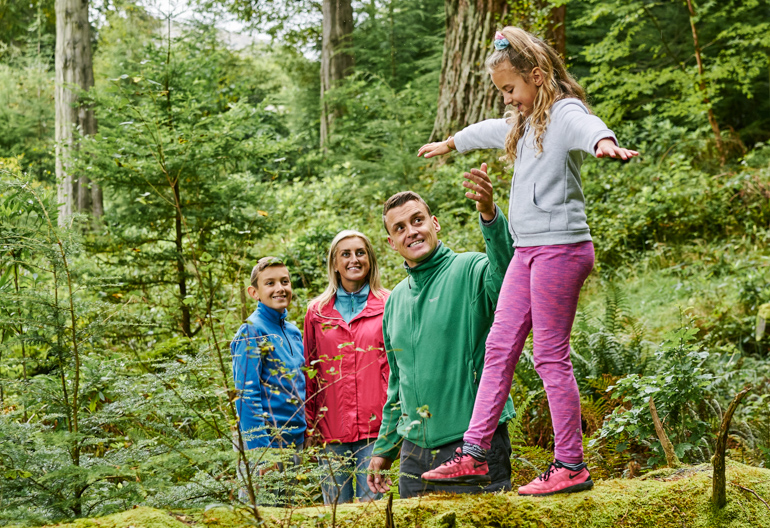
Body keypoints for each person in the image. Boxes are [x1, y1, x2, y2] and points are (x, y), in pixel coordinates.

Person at [418, 26, 639, 496]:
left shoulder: (562, 114)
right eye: (501, 91)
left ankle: (570, 464)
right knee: (499, 347)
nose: (507, 99)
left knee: (549, 356)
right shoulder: (522, 124)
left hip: (562, 249)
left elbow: (587, 126)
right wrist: (450, 143)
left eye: (511, 89)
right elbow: (489, 130)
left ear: (537, 77)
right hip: (527, 251)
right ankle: (474, 454)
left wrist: (603, 143)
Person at [367, 177, 516, 499]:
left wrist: (490, 215)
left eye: (417, 220)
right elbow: (398, 382)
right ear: (392, 242)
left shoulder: (471, 268)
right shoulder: (394, 301)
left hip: (474, 443)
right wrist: (385, 449)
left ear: (434, 223)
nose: (412, 231)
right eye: (400, 228)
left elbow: (508, 276)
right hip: (413, 452)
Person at [303, 230, 390, 504]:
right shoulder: (317, 311)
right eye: (346, 254)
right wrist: (310, 426)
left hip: (375, 432)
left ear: (370, 259)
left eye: (360, 253)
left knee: (372, 513)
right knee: (335, 514)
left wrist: (394, 427)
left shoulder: (389, 302)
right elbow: (310, 373)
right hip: (330, 433)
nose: (354, 259)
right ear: (335, 263)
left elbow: (397, 368)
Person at [230, 256, 306, 503]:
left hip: (294, 441)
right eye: (270, 283)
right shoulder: (251, 330)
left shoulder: (293, 332)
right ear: (254, 292)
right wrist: (260, 453)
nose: (280, 288)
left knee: (287, 513)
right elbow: (246, 395)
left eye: (284, 281)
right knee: (260, 512)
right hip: (266, 443)